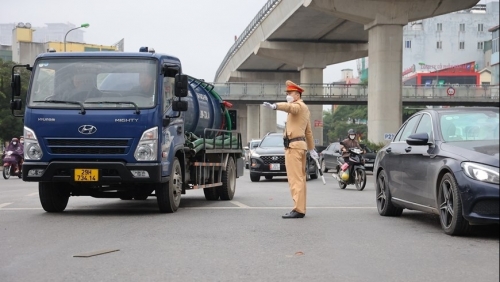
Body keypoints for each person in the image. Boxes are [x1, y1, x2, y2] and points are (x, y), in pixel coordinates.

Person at [263, 80, 318, 219]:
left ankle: (298, 209)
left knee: (295, 179)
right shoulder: (304, 109)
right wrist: (312, 149)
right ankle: (301, 208)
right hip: (299, 146)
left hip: (293, 147)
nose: (287, 95)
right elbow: (309, 132)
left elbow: (290, 108)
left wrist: (275, 106)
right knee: (300, 179)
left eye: (290, 93)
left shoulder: (298, 106)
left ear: (297, 95)